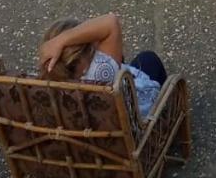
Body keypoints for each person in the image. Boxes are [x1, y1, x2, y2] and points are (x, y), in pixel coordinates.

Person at [36, 12, 168, 119]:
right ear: (85, 51)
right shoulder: (101, 72)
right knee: (148, 58)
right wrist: (61, 40)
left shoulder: (42, 86)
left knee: (122, 62)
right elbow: (110, 21)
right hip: (132, 131)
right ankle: (165, 117)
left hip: (86, 141)